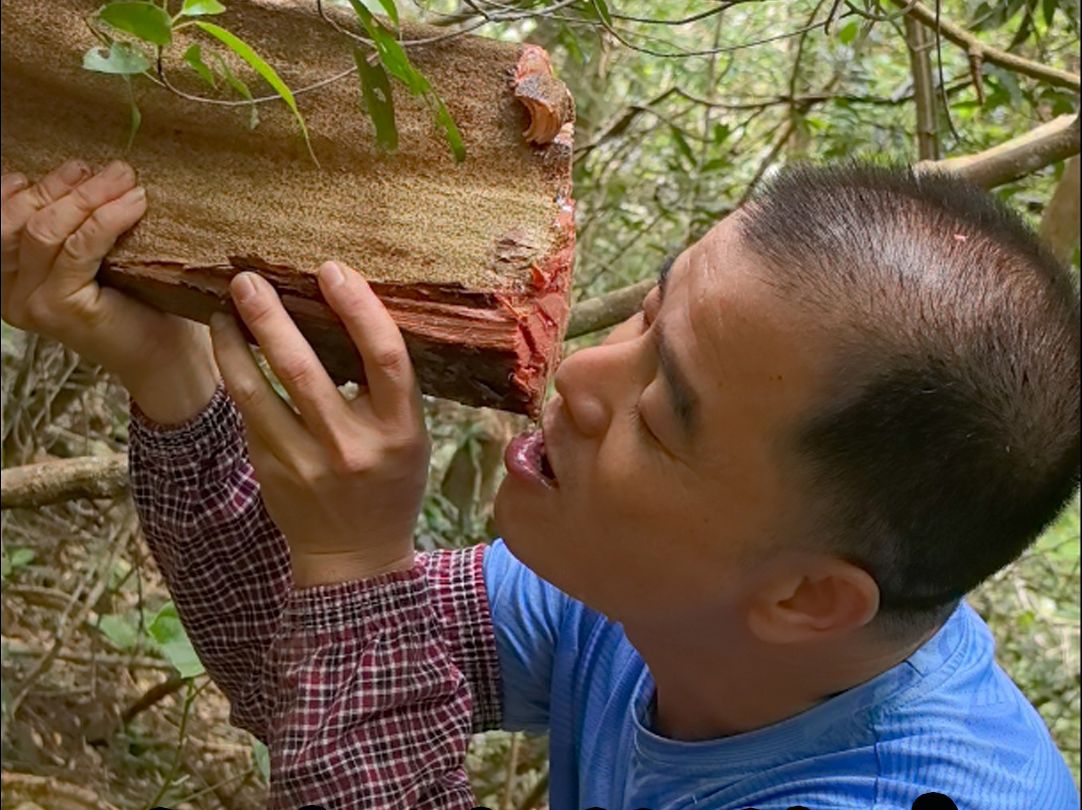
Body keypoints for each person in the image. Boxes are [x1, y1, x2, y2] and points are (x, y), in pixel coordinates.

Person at [1, 158, 1078, 810]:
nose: (582, 375)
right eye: (649, 318)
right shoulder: (644, 598)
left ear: (803, 597)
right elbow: (296, 672)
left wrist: (356, 565)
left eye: (659, 421)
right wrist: (173, 376)